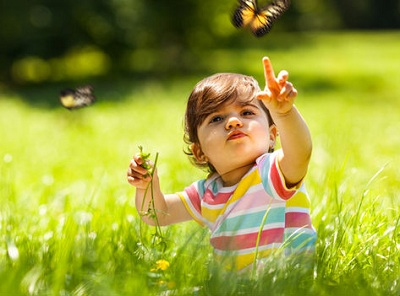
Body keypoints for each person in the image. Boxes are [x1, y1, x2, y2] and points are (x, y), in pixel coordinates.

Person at [127, 57, 317, 272]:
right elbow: (159, 215)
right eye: (216, 119)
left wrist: (284, 113)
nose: (234, 122)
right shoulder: (207, 193)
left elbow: (301, 153)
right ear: (200, 152)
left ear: (272, 136)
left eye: (247, 112)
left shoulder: (272, 171)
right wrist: (147, 187)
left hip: (284, 285)